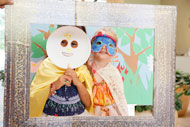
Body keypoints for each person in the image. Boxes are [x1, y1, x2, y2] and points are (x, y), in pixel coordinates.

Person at [30, 26, 93, 117]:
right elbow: (34, 100)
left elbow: (87, 104)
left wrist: (78, 82)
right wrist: (54, 86)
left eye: (74, 43)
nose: (68, 48)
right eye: (63, 42)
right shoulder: (47, 66)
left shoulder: (82, 70)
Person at [88, 27, 128, 116]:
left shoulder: (113, 73)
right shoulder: (84, 68)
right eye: (99, 43)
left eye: (109, 45)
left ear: (115, 51)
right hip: (89, 112)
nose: (103, 47)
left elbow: (120, 98)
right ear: (91, 46)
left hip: (108, 114)